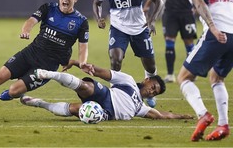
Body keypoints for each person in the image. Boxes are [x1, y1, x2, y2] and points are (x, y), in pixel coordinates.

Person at [92, 0, 164, 108]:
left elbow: (159, 1)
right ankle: (114, 93)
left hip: (140, 28)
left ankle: (149, 86)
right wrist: (99, 18)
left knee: (150, 65)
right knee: (115, 60)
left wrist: (152, 21)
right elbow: (97, 3)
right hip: (118, 28)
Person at [177, 0, 233, 141]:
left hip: (217, 32)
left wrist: (213, 27)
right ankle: (223, 125)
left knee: (184, 77)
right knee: (216, 77)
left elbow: (198, 1)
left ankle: (203, 114)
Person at [20, 59, 193, 121]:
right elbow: (105, 73)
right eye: (153, 87)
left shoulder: (141, 108)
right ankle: (49, 74)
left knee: (76, 110)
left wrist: (182, 116)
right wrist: (86, 66)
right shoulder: (129, 81)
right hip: (105, 94)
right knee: (85, 86)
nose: (152, 91)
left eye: (155, 93)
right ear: (147, 80)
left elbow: (162, 115)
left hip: (105, 113)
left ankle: (41, 104)